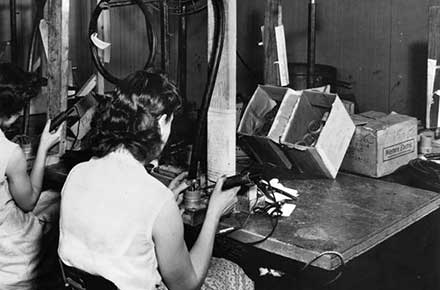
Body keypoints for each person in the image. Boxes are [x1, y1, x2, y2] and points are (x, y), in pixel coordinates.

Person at [58, 70, 254, 290]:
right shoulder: (156, 200)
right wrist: (213, 214)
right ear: (161, 123)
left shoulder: (77, 173)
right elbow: (187, 286)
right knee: (233, 272)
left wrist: (162, 207)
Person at [0, 86, 62, 289]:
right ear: (10, 115)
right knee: (57, 200)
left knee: (49, 198)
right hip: (9, 254)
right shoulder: (9, 152)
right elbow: (29, 202)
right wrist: (43, 147)